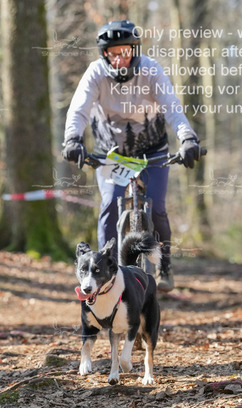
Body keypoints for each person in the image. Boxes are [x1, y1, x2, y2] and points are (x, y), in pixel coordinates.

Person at [62, 19, 203, 291]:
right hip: (111, 154)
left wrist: (187, 138)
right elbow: (78, 110)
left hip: (152, 151)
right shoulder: (95, 73)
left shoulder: (151, 70)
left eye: (124, 52)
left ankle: (165, 265)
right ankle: (107, 274)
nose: (119, 59)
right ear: (104, 54)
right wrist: (72, 139)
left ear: (134, 50)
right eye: (112, 53)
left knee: (157, 207)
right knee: (109, 207)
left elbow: (172, 107)